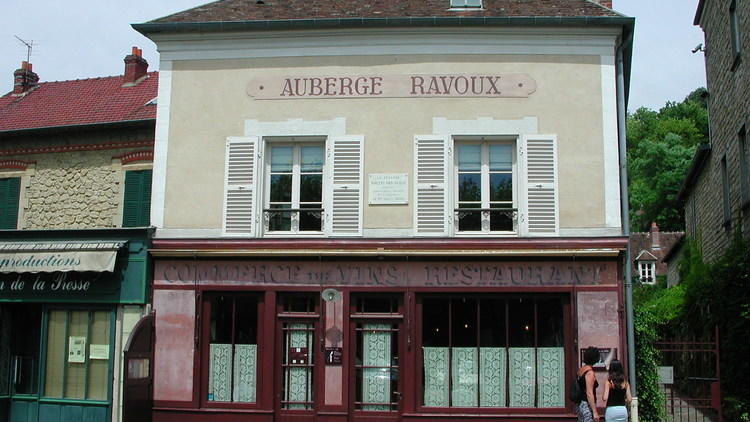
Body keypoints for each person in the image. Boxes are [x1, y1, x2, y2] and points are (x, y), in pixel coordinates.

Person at [577, 346, 600, 422]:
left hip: (580, 404)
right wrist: (595, 412)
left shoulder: (581, 370)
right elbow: (589, 393)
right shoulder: (589, 373)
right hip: (587, 405)